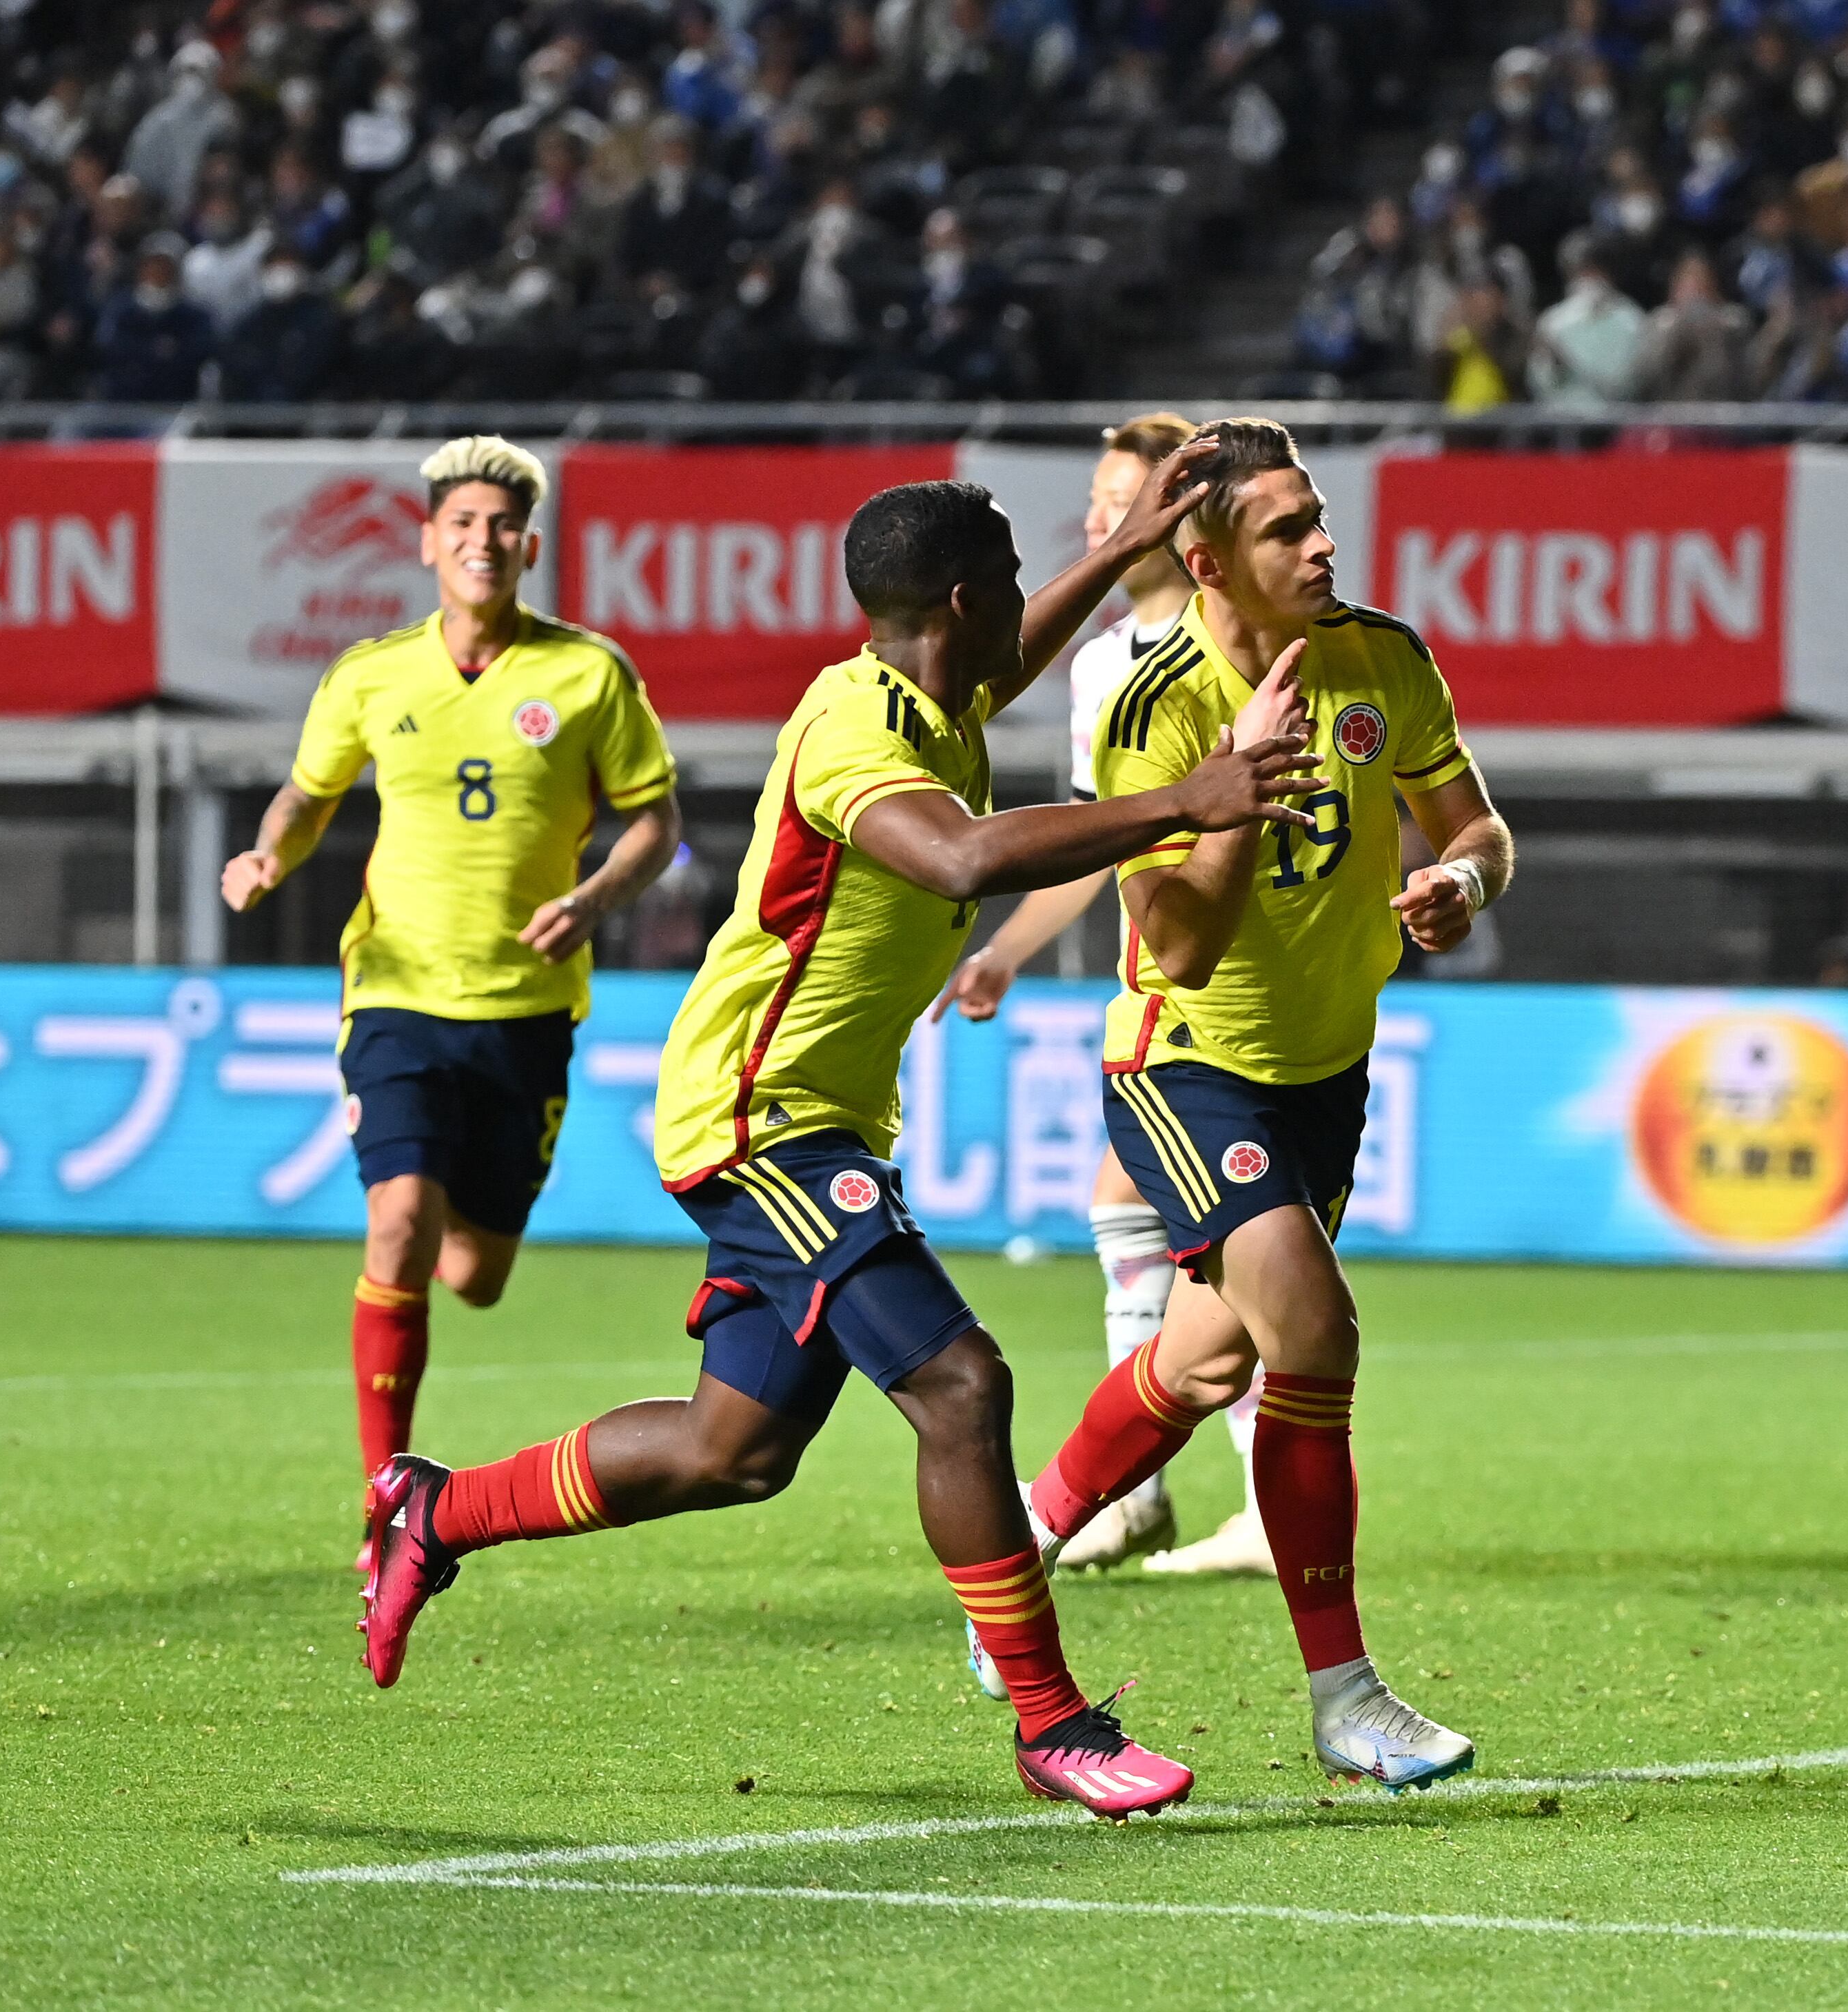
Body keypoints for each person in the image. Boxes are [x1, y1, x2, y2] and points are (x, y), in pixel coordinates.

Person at [357, 465, 1330, 1820]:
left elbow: (1019, 647)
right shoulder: (854, 731)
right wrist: (1189, 799)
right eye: (1005, 569)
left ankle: (432, 1508)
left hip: (806, 1115)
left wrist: (1120, 550)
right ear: (956, 600)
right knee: (962, 1385)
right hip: (761, 1117)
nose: (1018, 599)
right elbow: (959, 860)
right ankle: (1052, 1725)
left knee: (730, 1448)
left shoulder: (936, 690)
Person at [999, 418, 1516, 1793]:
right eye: (1288, 529)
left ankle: (1022, 1528)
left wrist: (1463, 882)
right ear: (1209, 556)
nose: (1325, 543)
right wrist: (1235, 782)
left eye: (1321, 515)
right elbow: (1173, 946)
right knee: (1315, 1327)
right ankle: (1346, 1695)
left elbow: (1478, 825)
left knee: (1204, 1362)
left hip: (1326, 1071)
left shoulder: (1384, 657)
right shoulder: (1151, 700)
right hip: (1185, 1060)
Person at [220, 438, 683, 1578]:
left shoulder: (588, 676)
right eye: (460, 523)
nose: (482, 541)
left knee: (473, 1276)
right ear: (428, 542)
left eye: (502, 526)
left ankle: (429, 1259)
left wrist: (593, 897)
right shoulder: (372, 675)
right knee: (398, 1224)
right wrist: (269, 856)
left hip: (526, 1011)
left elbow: (655, 822)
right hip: (395, 990)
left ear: (531, 545)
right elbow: (306, 791)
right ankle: (388, 1499)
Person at [932, 411, 1287, 1583]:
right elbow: (1103, 840)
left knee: (1238, 1263)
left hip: (1234, 986)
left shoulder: (1224, 641)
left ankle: (1208, 1502)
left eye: (1120, 497)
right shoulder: (1099, 663)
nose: (1098, 519)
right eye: (1094, 499)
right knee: (1137, 1213)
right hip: (1155, 985)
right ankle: (1143, 1499)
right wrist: (1007, 950)